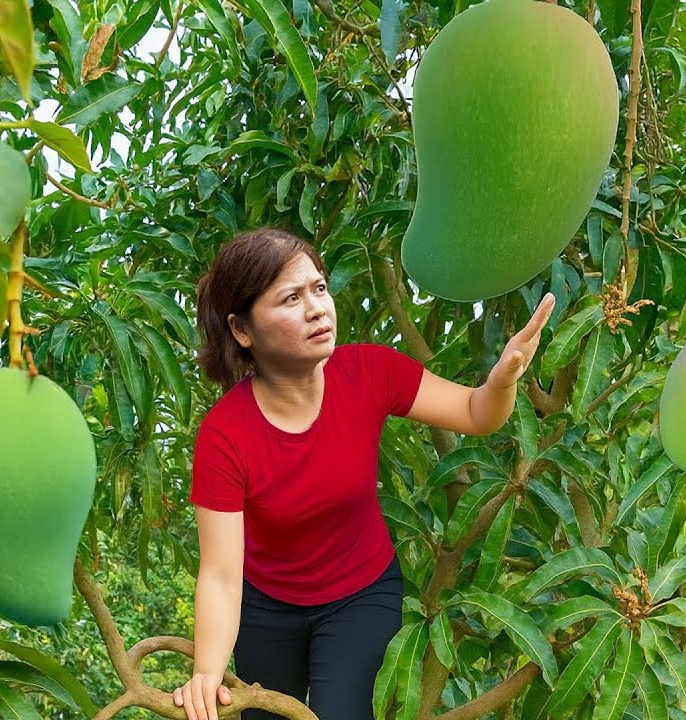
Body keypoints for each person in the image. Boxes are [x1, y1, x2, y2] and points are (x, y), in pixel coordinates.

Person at [172, 227, 554, 720]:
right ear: (243, 331)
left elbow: (478, 412)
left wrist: (501, 380)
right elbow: (222, 577)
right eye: (291, 298)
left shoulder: (369, 372)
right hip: (266, 607)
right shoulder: (225, 434)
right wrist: (206, 673)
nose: (316, 308)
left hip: (359, 593)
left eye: (319, 289)